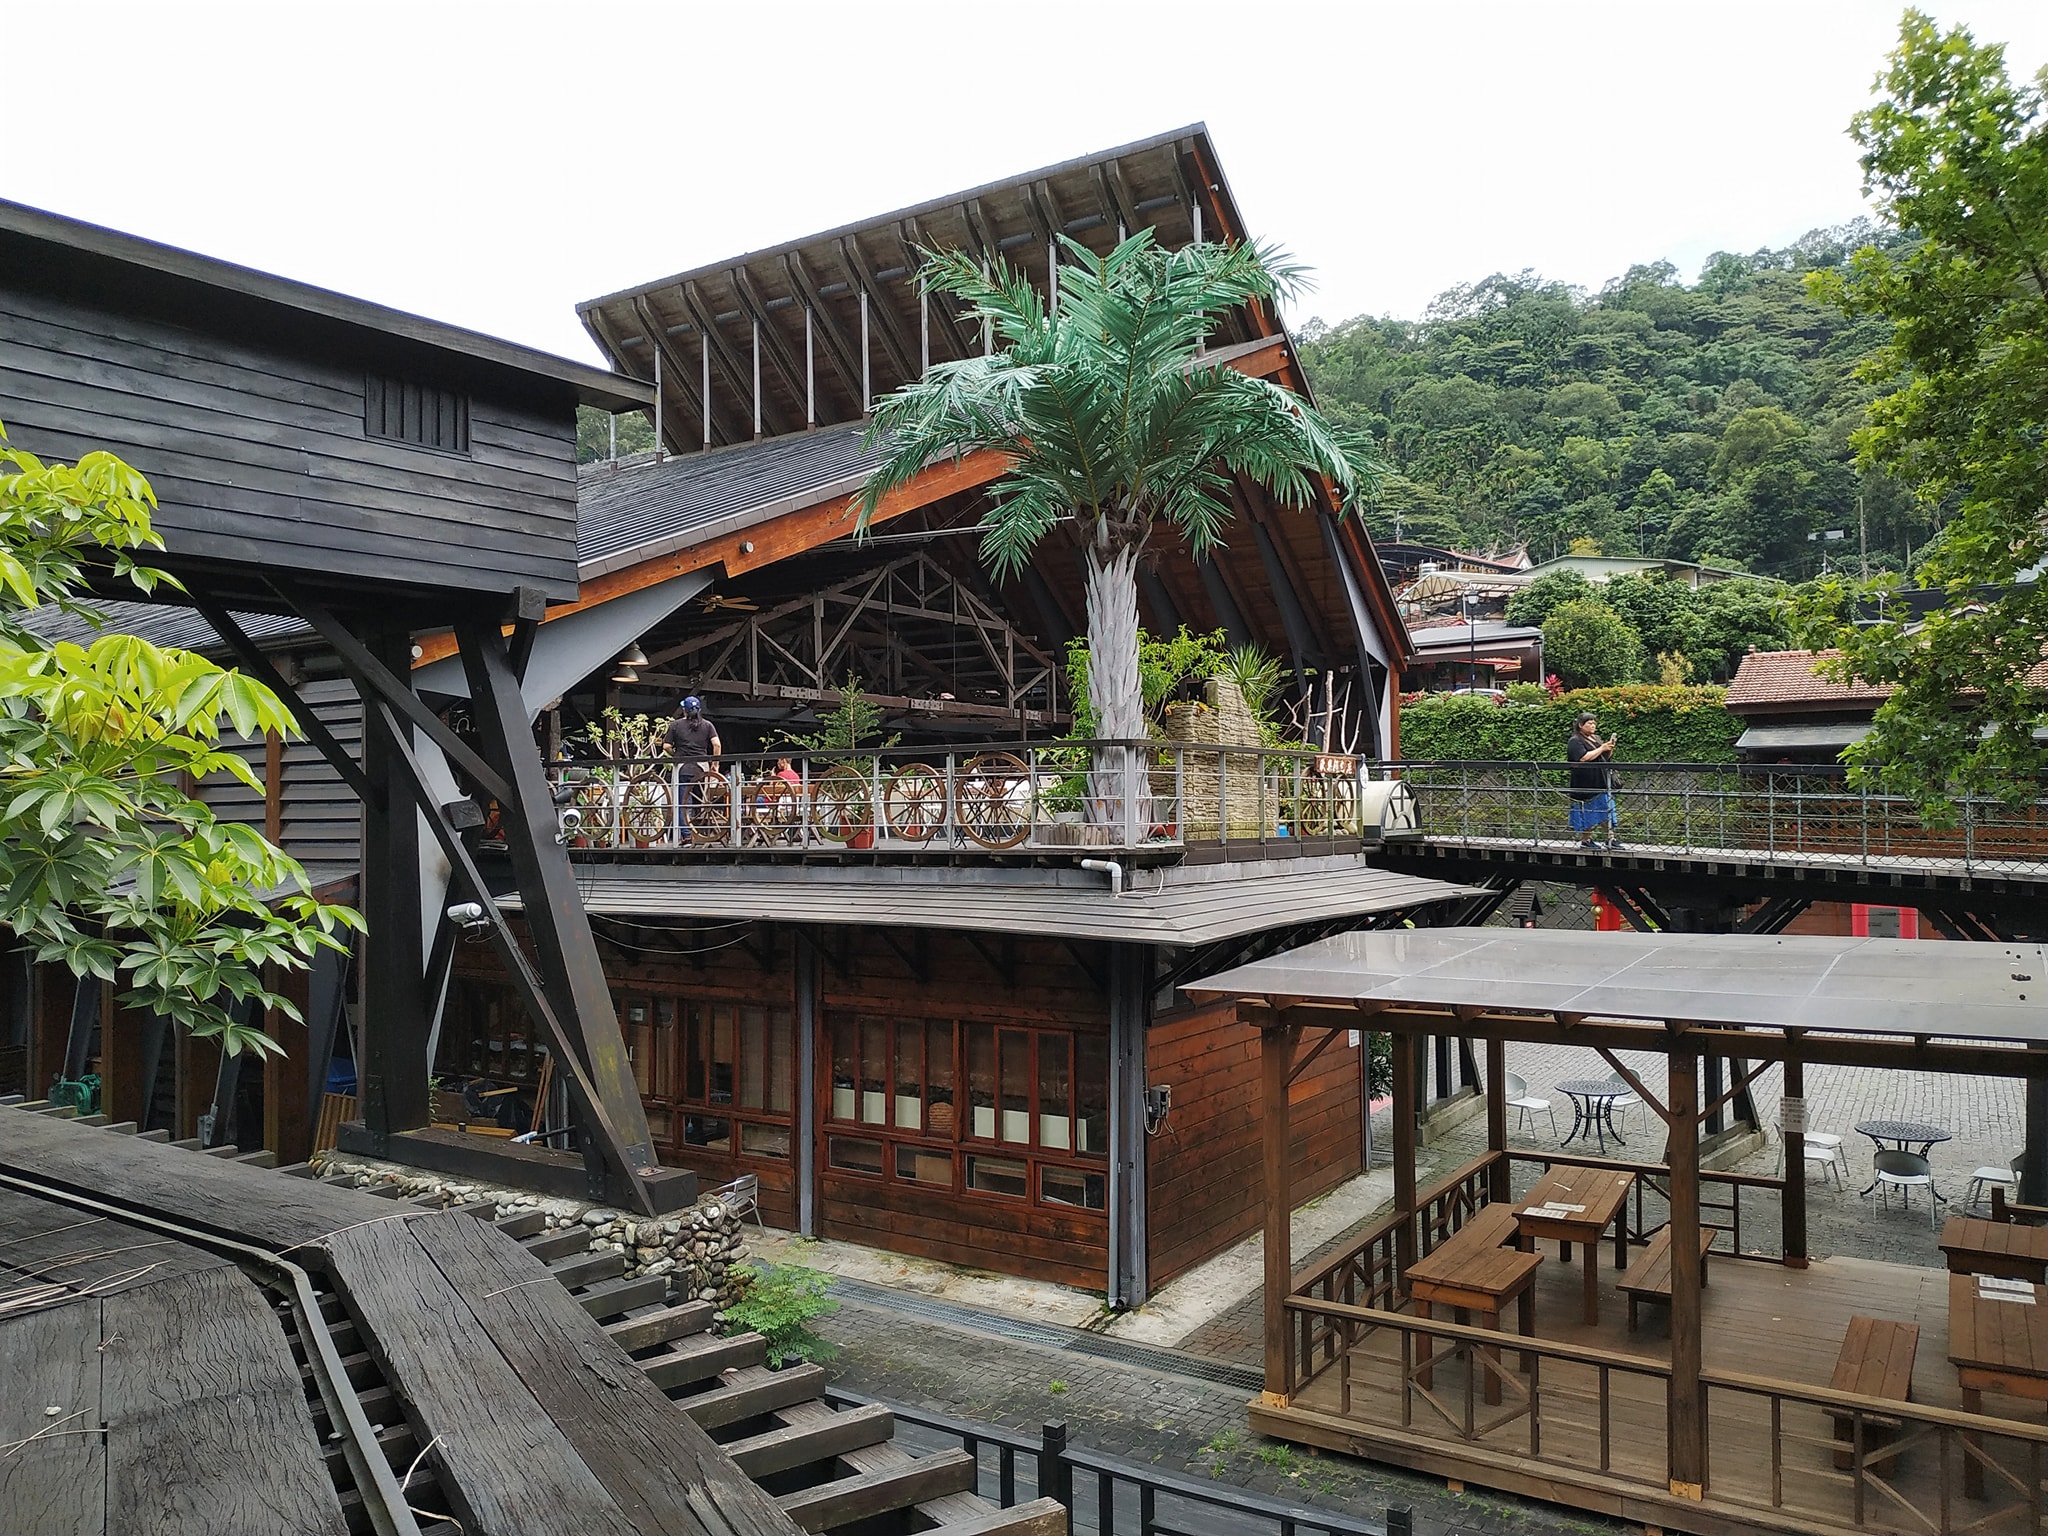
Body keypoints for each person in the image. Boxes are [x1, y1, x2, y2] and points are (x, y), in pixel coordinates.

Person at [664, 696, 721, 840]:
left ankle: (687, 836)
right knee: (701, 801)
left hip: (683, 767)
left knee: (683, 803)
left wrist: (676, 755)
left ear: (684, 710)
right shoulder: (708, 725)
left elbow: (666, 746)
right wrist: (715, 764)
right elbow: (717, 745)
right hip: (702, 769)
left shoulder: (676, 725)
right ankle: (702, 832)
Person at [1565, 711, 1620, 848]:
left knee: (1605, 808)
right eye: (1589, 723)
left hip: (1600, 780)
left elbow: (1604, 757)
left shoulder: (1596, 738)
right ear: (1580, 725)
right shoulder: (1575, 741)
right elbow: (1583, 757)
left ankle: (1609, 839)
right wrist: (1602, 748)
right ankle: (1587, 839)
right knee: (1589, 810)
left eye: (1594, 723)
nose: (1593, 725)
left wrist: (1608, 748)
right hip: (1585, 782)